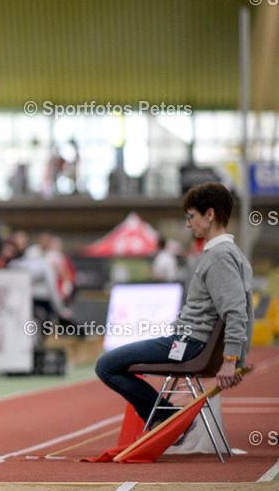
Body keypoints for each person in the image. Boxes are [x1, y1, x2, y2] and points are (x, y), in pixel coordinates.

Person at [96, 182, 254, 426]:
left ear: (210, 214)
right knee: (112, 363)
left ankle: (167, 417)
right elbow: (241, 310)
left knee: (106, 365)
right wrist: (237, 359)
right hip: (190, 342)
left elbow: (236, 312)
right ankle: (166, 416)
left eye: (191, 217)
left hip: (188, 344)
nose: (188, 224)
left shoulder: (220, 256)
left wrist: (231, 361)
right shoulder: (230, 253)